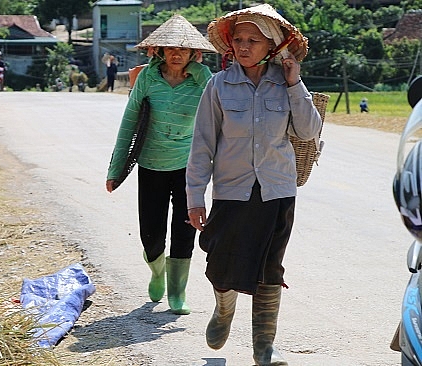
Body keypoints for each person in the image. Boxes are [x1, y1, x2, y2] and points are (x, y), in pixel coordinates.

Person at [186, 4, 322, 365]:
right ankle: (224, 307)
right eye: (239, 40)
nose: (243, 46)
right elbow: (202, 145)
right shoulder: (218, 86)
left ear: (273, 46)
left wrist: (295, 83)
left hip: (277, 190)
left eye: (253, 40)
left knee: (269, 267)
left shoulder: (287, 84)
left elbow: (309, 131)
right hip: (231, 191)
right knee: (220, 262)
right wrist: (194, 197)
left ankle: (264, 347)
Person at [106, 14, 216, 315]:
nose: (176, 53)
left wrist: (199, 69)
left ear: (195, 53)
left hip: (189, 168)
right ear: (159, 51)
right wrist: (116, 169)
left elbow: (218, 108)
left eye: (183, 49)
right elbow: (129, 123)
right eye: (169, 48)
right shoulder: (148, 78)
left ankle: (177, 292)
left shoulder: (203, 79)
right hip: (152, 164)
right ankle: (156, 270)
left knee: (186, 230)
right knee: (151, 234)